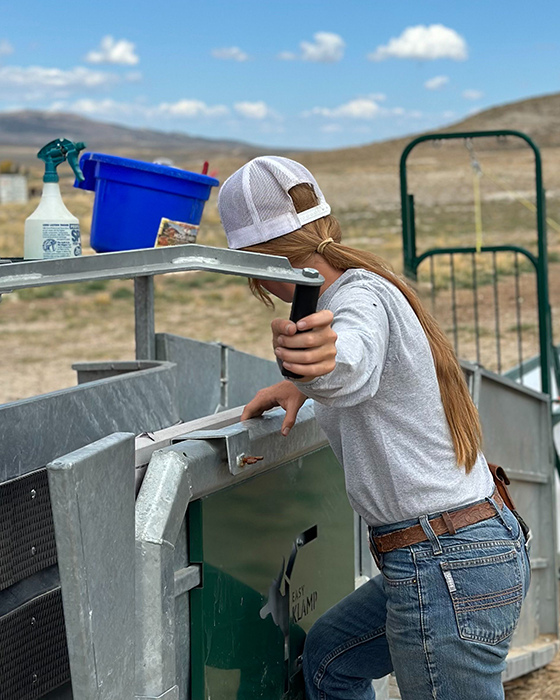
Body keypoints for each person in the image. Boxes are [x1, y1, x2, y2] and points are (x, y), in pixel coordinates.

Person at [219, 156, 530, 700]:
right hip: (463, 544)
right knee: (330, 661)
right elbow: (372, 371)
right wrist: (301, 384)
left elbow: (352, 363)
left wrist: (317, 365)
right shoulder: (367, 283)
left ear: (255, 262)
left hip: (442, 562)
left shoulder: (354, 301)